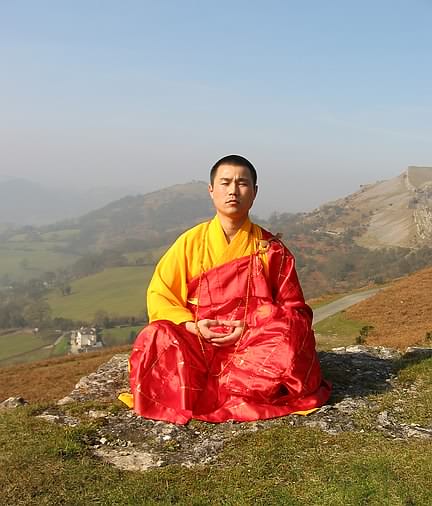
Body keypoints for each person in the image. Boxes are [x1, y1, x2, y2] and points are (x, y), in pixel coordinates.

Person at [125, 155, 331, 424]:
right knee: (155, 335)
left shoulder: (271, 249)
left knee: (291, 329)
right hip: (198, 342)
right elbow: (161, 296)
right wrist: (192, 326)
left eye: (242, 183)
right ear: (212, 190)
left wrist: (249, 325)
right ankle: (229, 388)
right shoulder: (189, 243)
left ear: (254, 192)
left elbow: (295, 311)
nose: (233, 190)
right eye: (225, 183)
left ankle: (231, 389)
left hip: (251, 345)